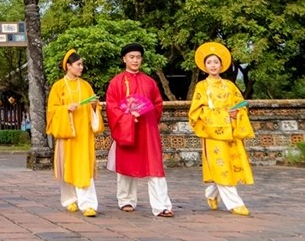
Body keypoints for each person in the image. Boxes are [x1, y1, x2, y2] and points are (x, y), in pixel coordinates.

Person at [105, 43, 174, 217]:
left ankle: (162, 206)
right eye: (131, 57)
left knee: (155, 167)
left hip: (148, 132)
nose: (135, 60)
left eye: (138, 57)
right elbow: (112, 107)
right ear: (124, 59)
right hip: (127, 130)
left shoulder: (150, 82)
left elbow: (157, 105)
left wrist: (147, 118)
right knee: (126, 165)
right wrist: (128, 118)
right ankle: (126, 200)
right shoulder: (116, 82)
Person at [188, 42, 254, 216]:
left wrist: (236, 114)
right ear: (204, 66)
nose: (213, 65)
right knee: (221, 164)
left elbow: (240, 105)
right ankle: (235, 203)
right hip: (213, 133)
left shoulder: (230, 86)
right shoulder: (202, 87)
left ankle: (211, 192)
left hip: (231, 131)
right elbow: (197, 111)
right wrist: (224, 115)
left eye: (216, 62)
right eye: (209, 62)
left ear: (221, 65)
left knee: (229, 165)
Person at [46, 49, 104, 217]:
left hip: (84, 135)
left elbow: (94, 106)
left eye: (81, 64)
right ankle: (70, 200)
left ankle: (88, 204)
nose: (81, 67)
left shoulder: (86, 85)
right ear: (68, 66)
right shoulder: (58, 87)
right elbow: (51, 111)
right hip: (67, 134)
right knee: (67, 168)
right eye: (78, 64)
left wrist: (94, 106)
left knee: (83, 168)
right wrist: (65, 109)